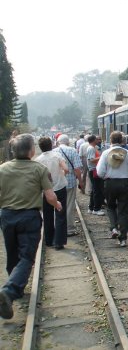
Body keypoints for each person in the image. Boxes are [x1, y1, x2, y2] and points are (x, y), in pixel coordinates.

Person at [0, 134, 62, 319]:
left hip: (7, 215)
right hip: (29, 216)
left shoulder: (2, 169)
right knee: (26, 257)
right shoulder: (39, 169)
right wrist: (56, 205)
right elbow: (50, 196)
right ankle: (9, 291)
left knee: (12, 253)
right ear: (31, 151)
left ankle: (15, 290)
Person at [96, 131, 128, 248]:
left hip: (110, 183)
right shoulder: (127, 153)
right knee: (123, 211)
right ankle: (123, 239)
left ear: (110, 140)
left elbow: (100, 172)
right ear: (121, 140)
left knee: (110, 207)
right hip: (125, 183)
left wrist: (106, 176)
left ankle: (114, 228)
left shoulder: (105, 153)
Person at [35, 137, 69, 250]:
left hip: (46, 190)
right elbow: (66, 169)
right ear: (51, 145)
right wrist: (62, 175)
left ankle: (49, 240)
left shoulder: (38, 160)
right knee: (60, 213)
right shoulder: (57, 156)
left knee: (47, 214)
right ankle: (59, 241)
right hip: (59, 187)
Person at [54, 134, 83, 236]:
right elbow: (77, 169)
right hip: (70, 182)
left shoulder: (54, 152)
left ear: (58, 142)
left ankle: (58, 227)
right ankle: (69, 229)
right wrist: (81, 181)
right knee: (70, 205)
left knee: (57, 205)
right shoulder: (72, 150)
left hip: (57, 183)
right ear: (68, 142)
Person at [86, 135, 105, 215]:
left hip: (94, 170)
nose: (98, 140)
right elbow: (91, 160)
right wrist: (102, 157)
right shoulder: (91, 148)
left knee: (95, 190)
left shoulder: (93, 147)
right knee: (97, 190)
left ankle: (91, 207)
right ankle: (96, 209)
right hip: (94, 171)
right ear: (93, 140)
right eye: (97, 139)